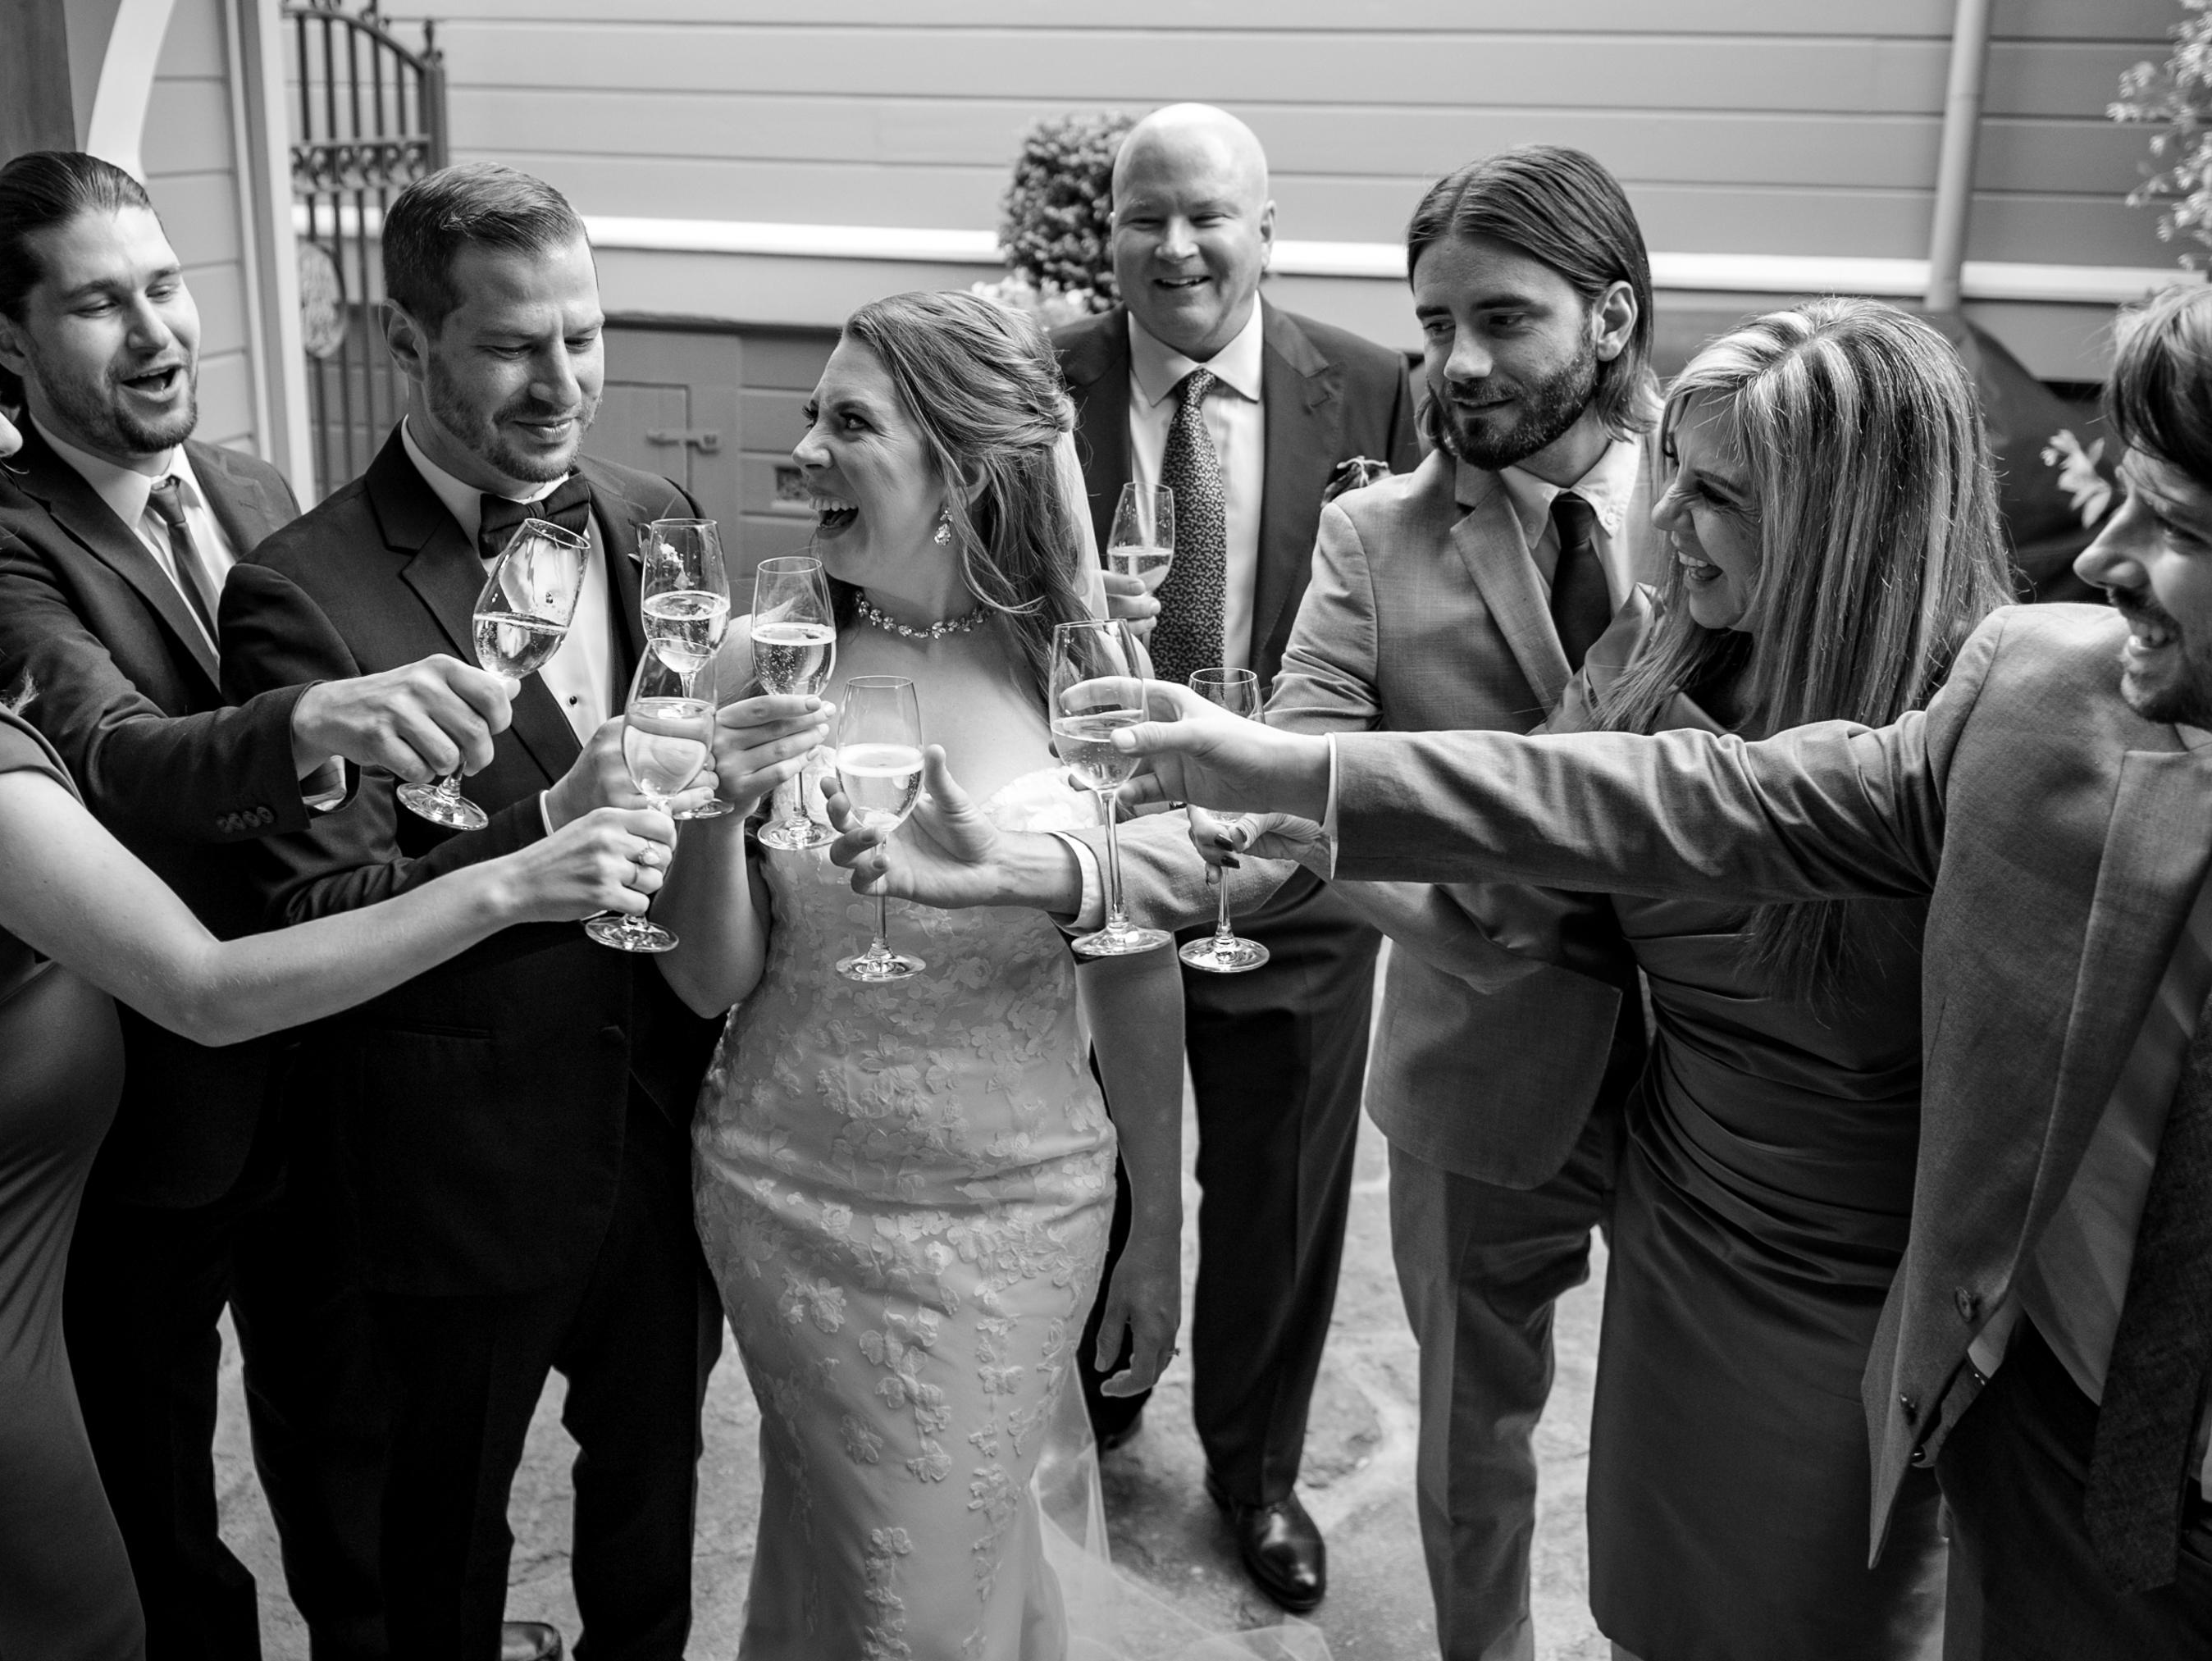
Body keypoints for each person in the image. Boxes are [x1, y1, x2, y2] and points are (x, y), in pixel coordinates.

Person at [1106, 273, 2212, 1661]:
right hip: (2045, 1507)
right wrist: (1281, 778)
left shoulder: (2035, 690)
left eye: (2175, 526)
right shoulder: (2052, 699)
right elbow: (1675, 800)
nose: (2106, 562)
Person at [0, 249, 669, 1660]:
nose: (1, 436)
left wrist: (316, 735)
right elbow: (202, 987)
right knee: (75, 1629)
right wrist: (521, 876)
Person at [839, 144, 1659, 1661]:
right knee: (1474, 1449)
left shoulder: (1719, 493)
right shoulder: (1380, 534)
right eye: (1436, 325)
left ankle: (1260, 1466)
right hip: (1466, 1032)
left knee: (1688, 1477)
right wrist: (1059, 867)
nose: (1457, 365)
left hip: (1722, 1071)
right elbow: (1285, 799)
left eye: (1500, 321)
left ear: (1610, 317)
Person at [0, 150, 497, 1661]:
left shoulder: (253, 485)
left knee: (350, 1422)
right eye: (98, 305)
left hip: (328, 1060)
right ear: (6, 336)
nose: (155, 334)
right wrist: (317, 725)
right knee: (153, 1475)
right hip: (147, 1096)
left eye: (165, 286)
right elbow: (117, 759)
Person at [217, 163, 726, 1661]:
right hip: (450, 1176)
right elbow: (319, 908)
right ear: (408, 340)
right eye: (511, 345)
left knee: (657, 1521)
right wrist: (544, 824)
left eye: (585, 334)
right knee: (435, 1561)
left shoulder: (656, 520)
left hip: (662, 1134)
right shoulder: (301, 593)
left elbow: (694, 796)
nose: (562, 382)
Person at [648, 289, 1187, 1660]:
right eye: (809, 418)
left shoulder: (1084, 670)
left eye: (849, 423)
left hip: (1017, 1211)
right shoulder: (762, 658)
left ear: (959, 468)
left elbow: (1132, 961)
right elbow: (708, 984)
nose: (803, 454)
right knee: (871, 1570)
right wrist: (714, 807)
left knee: (931, 1588)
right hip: (789, 1194)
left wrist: (1160, 1233)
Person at [1520, 298, 2004, 1655]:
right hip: (1678, 1243)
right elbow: (1503, 851)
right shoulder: (1650, 654)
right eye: (1674, 469)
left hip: (1869, 1310)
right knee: (1650, 1615)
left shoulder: (1983, 736)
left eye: (1718, 494)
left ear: (1849, 525)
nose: (1666, 516)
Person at [1051, 103, 1422, 1614]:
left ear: (1268, 229)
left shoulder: (1380, 392)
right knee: (1091, 1158)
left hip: (1298, 876)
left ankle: (1256, 1468)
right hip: (1092, 865)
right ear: (1109, 233)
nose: (1176, 245)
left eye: (1208, 215)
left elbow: (1420, 617)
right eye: (1144, 215)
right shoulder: (1039, 382)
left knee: (1280, 1190)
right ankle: (1102, 1389)